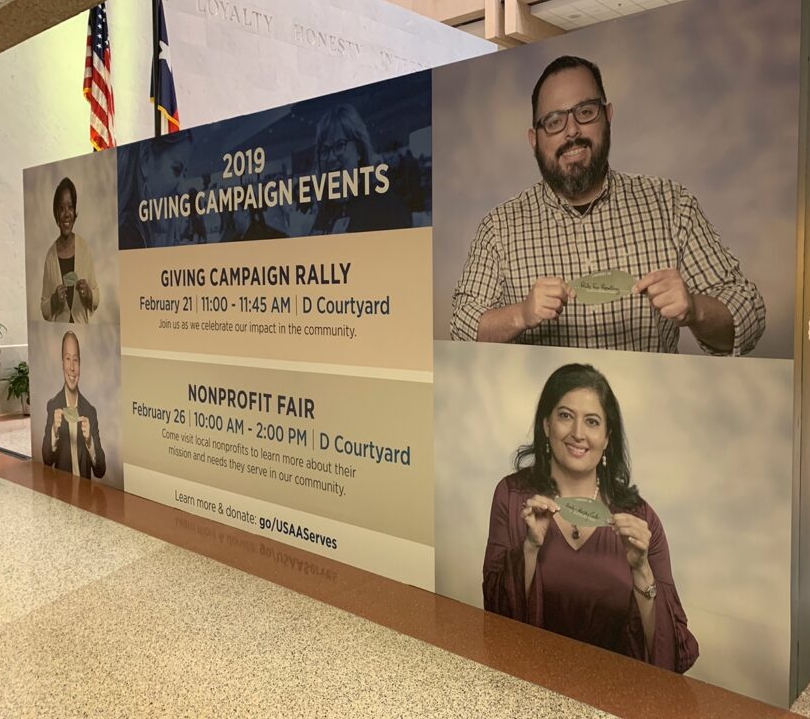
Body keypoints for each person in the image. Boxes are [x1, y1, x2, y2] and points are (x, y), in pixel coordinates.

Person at [451, 56, 766, 355]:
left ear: (608, 115)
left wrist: (696, 309)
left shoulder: (670, 204)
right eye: (554, 121)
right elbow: (462, 330)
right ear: (535, 139)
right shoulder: (500, 228)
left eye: (585, 111)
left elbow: (748, 316)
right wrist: (521, 314)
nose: (572, 131)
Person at [482, 363, 698, 673]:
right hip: (528, 686)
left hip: (613, 695)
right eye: (565, 416)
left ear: (608, 437)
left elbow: (670, 653)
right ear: (546, 425)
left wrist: (641, 570)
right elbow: (495, 616)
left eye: (592, 421)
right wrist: (530, 547)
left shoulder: (641, 517)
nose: (578, 434)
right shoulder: (513, 495)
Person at [304, 103, 411, 236]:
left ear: (359, 150)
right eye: (324, 151)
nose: (331, 158)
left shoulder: (384, 205)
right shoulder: (326, 209)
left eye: (340, 145)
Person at [42, 331, 105, 480]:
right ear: (62, 363)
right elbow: (46, 459)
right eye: (67, 359)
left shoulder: (90, 411)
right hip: (62, 494)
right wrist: (54, 432)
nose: (71, 367)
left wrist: (90, 441)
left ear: (80, 364)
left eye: (75, 360)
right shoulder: (53, 406)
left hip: (85, 498)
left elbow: (101, 471)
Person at [40, 177, 100, 323]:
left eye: (70, 207)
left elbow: (97, 297)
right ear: (56, 216)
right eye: (61, 208)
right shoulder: (50, 256)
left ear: (75, 212)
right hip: (58, 335)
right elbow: (44, 309)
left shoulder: (84, 248)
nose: (66, 213)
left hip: (84, 334)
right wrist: (54, 300)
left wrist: (89, 294)